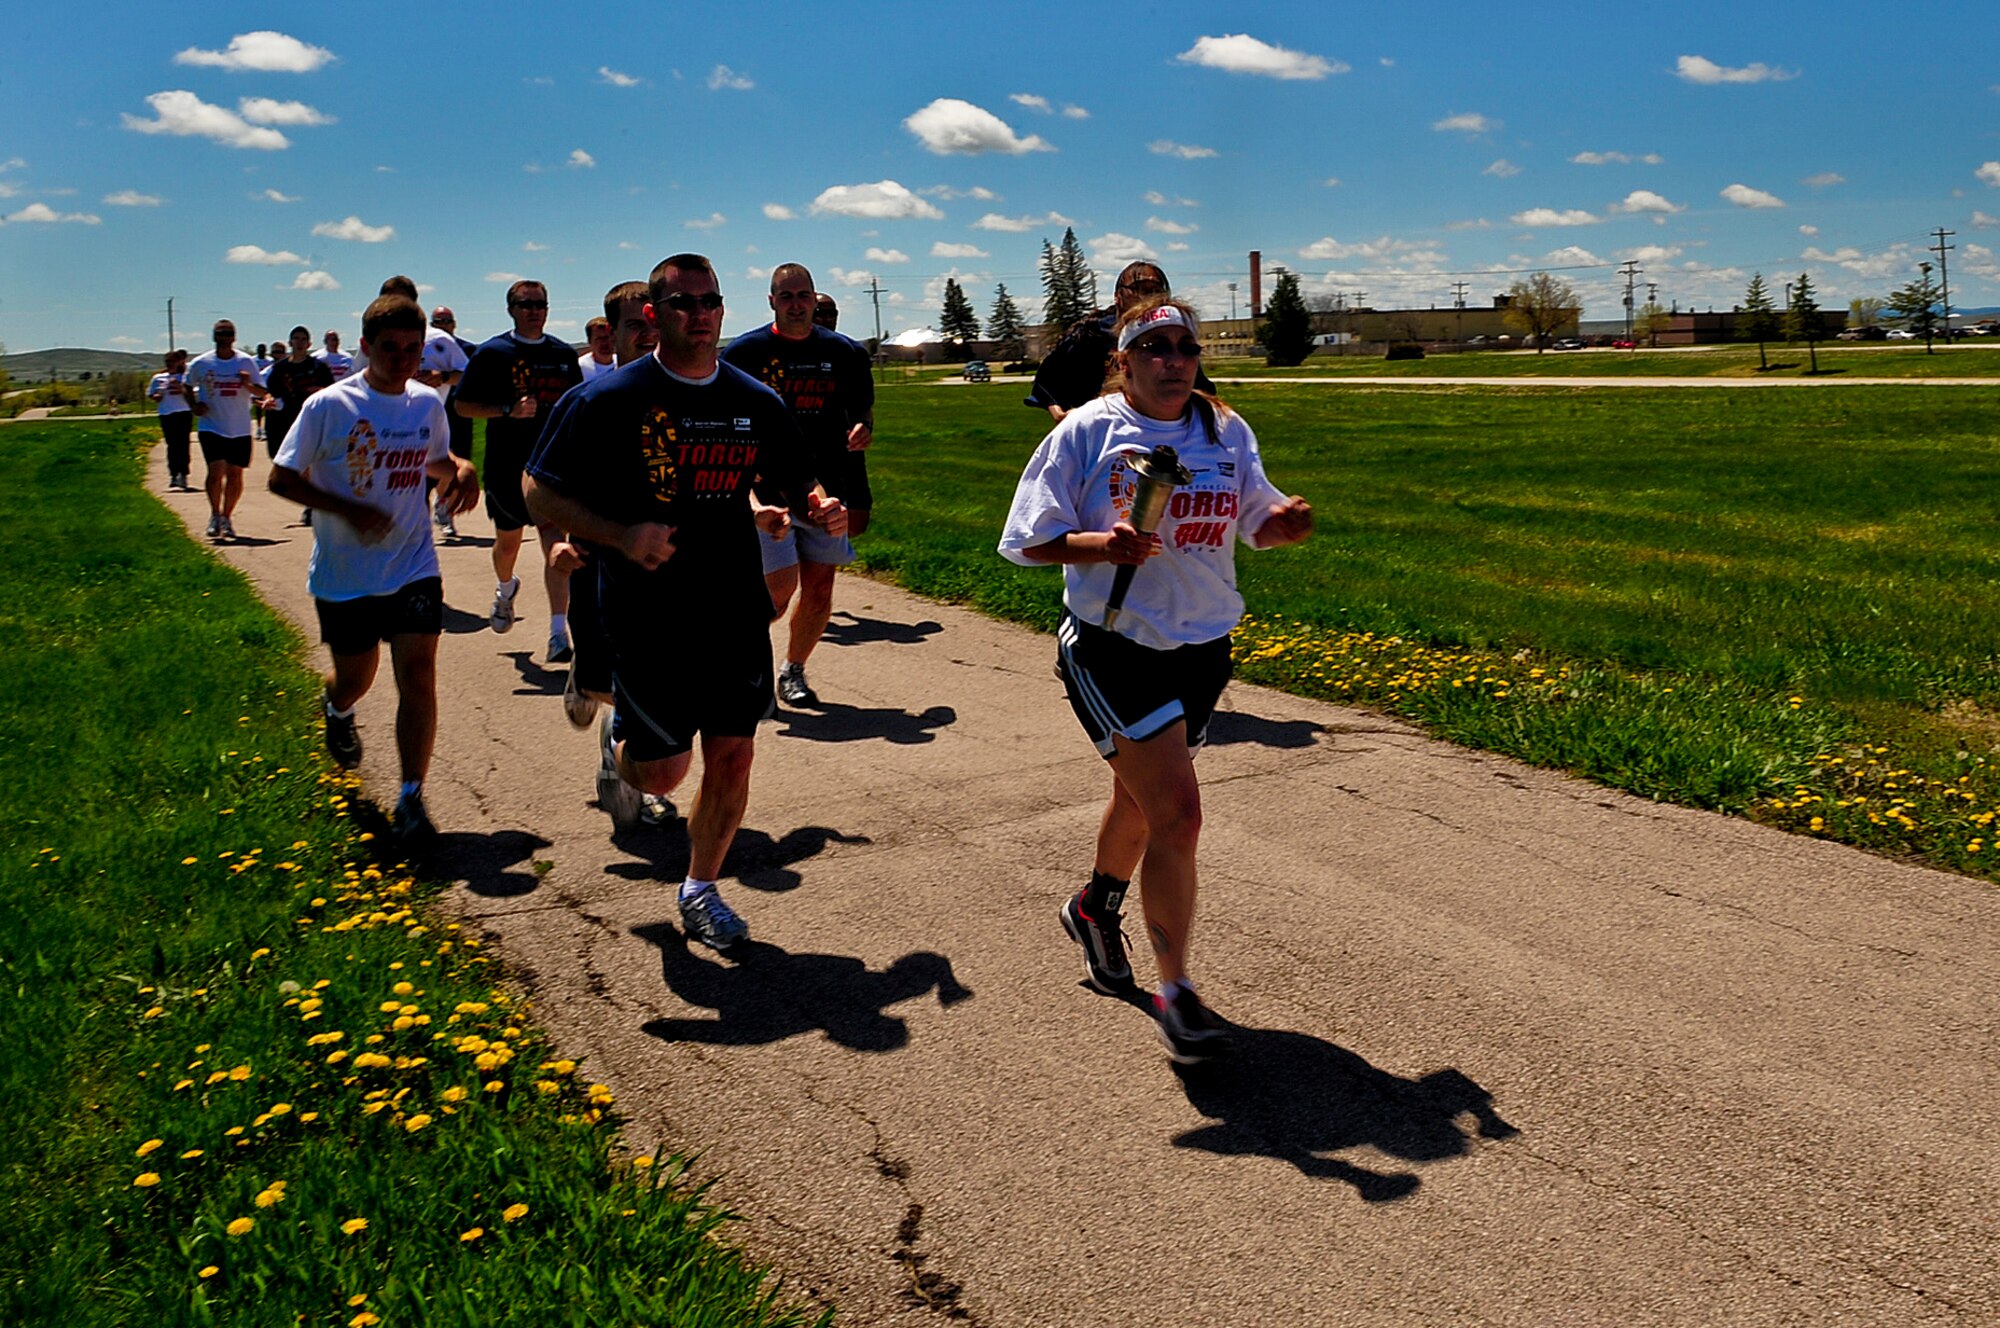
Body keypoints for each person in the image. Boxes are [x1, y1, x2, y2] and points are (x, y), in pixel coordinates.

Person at [998, 297, 1314, 1064]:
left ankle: (1093, 907)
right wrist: (1098, 544)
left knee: (1140, 803)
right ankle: (1179, 996)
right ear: (1127, 359)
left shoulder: (1224, 429)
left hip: (1203, 646)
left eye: (1185, 347)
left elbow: (1253, 515)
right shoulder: (1088, 432)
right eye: (1156, 348)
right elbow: (1025, 542)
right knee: (1178, 815)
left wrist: (1281, 524)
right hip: (1115, 646)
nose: (1174, 360)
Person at [523, 252, 846, 950]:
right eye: (683, 304)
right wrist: (615, 533)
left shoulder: (754, 400)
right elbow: (537, 490)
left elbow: (796, 478)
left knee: (733, 755)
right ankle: (621, 750)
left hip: (732, 604)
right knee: (666, 773)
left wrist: (820, 506)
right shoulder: (607, 399)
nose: (699, 316)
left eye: (710, 303)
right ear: (653, 315)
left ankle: (700, 889)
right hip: (645, 611)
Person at [268, 294, 481, 843]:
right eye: (390, 349)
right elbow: (281, 478)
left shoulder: (425, 404)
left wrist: (462, 468)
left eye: (413, 350)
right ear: (365, 347)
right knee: (357, 679)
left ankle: (411, 796)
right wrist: (349, 509)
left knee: (417, 674)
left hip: (413, 563)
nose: (404, 361)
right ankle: (336, 708)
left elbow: (431, 461)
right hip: (346, 574)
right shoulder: (328, 406)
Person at [721, 263, 875, 708]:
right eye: (785, 296)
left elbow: (862, 408)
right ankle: (744, 660)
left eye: (802, 295)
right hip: (768, 490)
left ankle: (793, 670)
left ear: (814, 298)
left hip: (825, 491)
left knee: (820, 588)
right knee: (778, 589)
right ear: (771, 301)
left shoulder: (845, 353)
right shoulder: (744, 353)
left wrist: (863, 427)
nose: (795, 304)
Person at [454, 279, 584, 659]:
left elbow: (575, 406)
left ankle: (559, 634)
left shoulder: (563, 355)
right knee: (508, 544)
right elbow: (464, 406)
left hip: (549, 468)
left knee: (555, 545)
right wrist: (506, 411)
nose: (534, 311)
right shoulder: (493, 353)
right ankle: (506, 588)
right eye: (526, 305)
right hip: (506, 466)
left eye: (540, 304)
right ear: (511, 309)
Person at [1025, 262, 1213, 423]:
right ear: (1117, 296)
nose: (1148, 297)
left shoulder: (1174, 339)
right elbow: (1048, 379)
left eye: (1156, 291)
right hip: (1099, 430)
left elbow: (1199, 390)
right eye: (1138, 289)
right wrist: (1060, 415)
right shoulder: (1093, 333)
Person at [186, 319, 269, 541]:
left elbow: (262, 391)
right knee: (216, 472)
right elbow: (187, 384)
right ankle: (214, 514)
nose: (224, 337)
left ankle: (226, 516)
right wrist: (194, 405)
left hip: (239, 427)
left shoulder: (245, 362)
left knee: (235, 474)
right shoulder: (202, 363)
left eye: (228, 333)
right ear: (214, 336)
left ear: (234, 337)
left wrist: (247, 384)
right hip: (212, 426)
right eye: (220, 333)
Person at [430, 305, 478, 535]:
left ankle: (444, 505)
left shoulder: (467, 349)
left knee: (458, 461)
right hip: (434, 413)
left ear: (454, 323)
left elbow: (473, 377)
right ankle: (442, 508)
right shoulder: (425, 348)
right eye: (437, 321)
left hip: (459, 412)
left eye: (446, 320)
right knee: (436, 461)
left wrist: (446, 378)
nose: (443, 325)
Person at [264, 325, 336, 459]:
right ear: (290, 343)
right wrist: (269, 400)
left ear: (309, 344)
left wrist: (320, 391)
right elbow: (270, 391)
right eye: (296, 339)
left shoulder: (319, 367)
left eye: (303, 339)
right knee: (281, 463)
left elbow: (332, 393)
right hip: (282, 422)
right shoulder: (280, 368)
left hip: (308, 422)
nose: (299, 342)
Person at [149, 349, 195, 491]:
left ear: (179, 362)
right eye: (167, 362)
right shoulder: (159, 378)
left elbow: (195, 393)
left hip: (183, 412)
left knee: (183, 444)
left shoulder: (185, 377)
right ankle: (174, 474)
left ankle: (184, 474)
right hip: (166, 413)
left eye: (172, 362)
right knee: (171, 444)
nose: (170, 364)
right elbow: (151, 394)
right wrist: (157, 396)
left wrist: (180, 388)